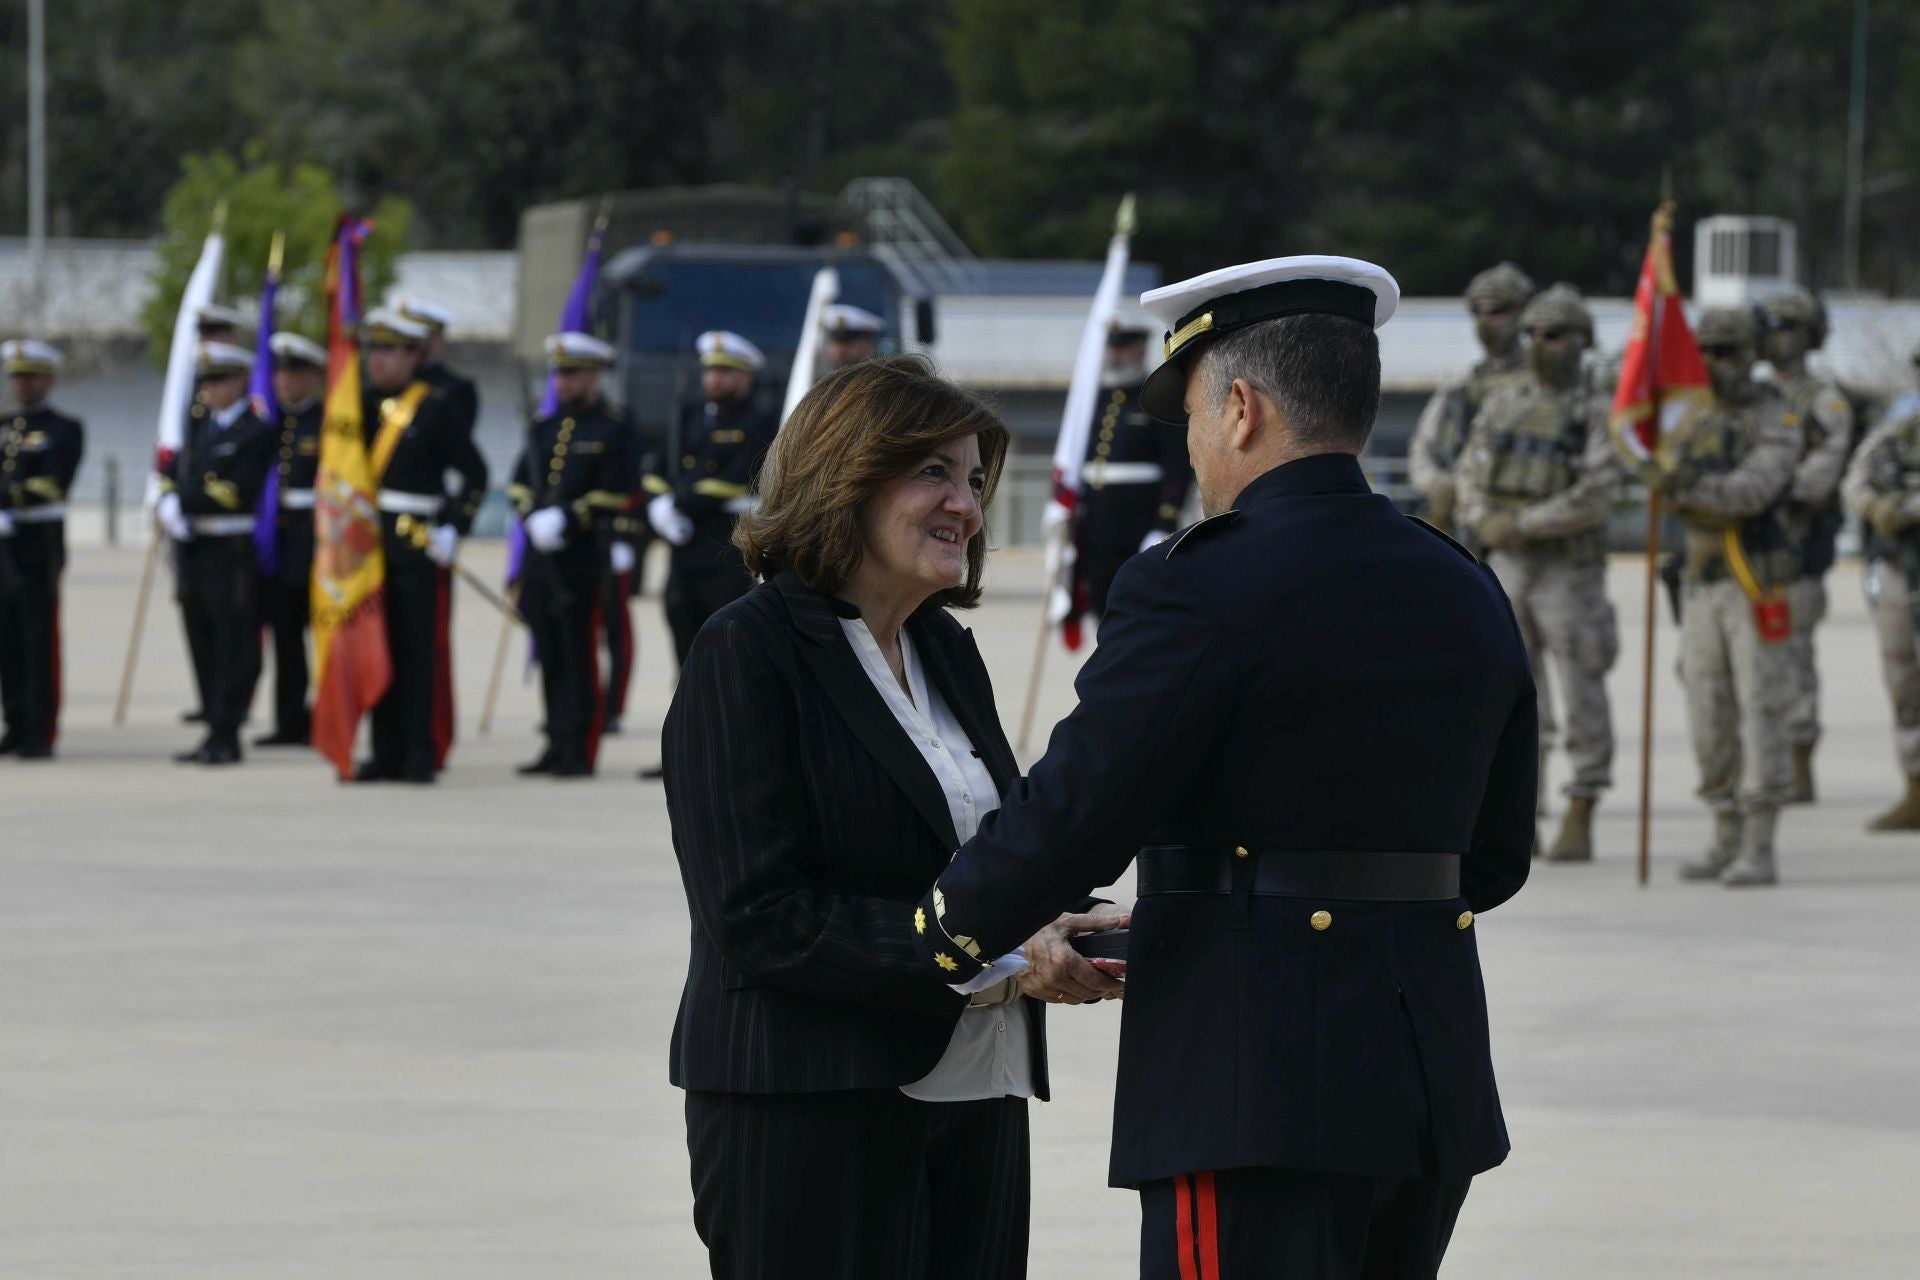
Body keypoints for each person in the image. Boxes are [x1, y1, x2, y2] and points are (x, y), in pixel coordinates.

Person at [909, 257, 1536, 1278]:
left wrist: (946, 929)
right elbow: (1494, 856)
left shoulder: (1198, 581)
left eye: (1193, 413)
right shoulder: (1463, 582)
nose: (1194, 446)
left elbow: (1080, 801)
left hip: (1256, 1082)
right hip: (1427, 1071)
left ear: (1240, 407)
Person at [664, 354, 1125, 1279]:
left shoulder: (945, 652)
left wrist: (1053, 927)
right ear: (844, 476)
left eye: (977, 480)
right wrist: (979, 958)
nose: (967, 503)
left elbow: (979, 857)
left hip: (978, 1092)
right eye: (933, 473)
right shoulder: (747, 651)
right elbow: (761, 916)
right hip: (808, 1101)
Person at [1457, 286, 1621, 861]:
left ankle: (1583, 800)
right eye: (1532, 335)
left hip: (1567, 573)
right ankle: (1521, 815)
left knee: (1580, 690)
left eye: (1553, 336)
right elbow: (1471, 472)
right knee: (1515, 695)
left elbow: (1598, 490)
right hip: (1508, 565)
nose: (1539, 345)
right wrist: (1487, 520)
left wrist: (1522, 523)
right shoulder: (1503, 402)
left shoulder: (1596, 410)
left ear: (1581, 342)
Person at [1650, 308, 1799, 886]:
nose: (1714, 363)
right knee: (1706, 710)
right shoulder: (1691, 418)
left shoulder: (1775, 416)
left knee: (1761, 708)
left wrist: (1687, 488)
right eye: (1705, 351)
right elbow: (1660, 469)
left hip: (1753, 580)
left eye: (1728, 351)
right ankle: (1724, 830)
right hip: (1701, 582)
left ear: (1751, 354)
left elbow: (1753, 490)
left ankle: (1759, 843)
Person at [354, 309, 488, 784]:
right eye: (376, 351)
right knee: (376, 649)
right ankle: (382, 749)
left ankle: (418, 751)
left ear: (413, 355)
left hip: (416, 545)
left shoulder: (434, 406)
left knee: (416, 652)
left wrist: (454, 526)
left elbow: (475, 474)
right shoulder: (360, 406)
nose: (380, 361)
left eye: (391, 351)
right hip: (367, 548)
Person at [508, 333, 636, 778]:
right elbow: (519, 483)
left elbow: (619, 489)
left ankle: (581, 746)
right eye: (560, 373)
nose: (564, 382)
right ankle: (556, 740)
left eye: (573, 373)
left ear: (595, 374)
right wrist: (530, 514)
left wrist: (567, 516)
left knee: (579, 651)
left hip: (584, 557)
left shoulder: (613, 427)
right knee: (550, 649)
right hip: (543, 561)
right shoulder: (543, 427)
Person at [157, 342, 275, 766]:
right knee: (200, 637)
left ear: (241, 380)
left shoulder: (256, 430)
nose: (211, 389)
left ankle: (227, 730)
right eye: (206, 380)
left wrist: (182, 503)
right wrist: (166, 498)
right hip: (194, 546)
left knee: (232, 641)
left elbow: (235, 490)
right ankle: (211, 723)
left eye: (220, 379)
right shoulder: (197, 426)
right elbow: (173, 472)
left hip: (230, 547)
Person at [1759, 287, 1854, 803]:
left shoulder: (1824, 401)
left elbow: (1820, 475)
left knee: (1793, 659)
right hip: (1745, 553)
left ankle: (1798, 762)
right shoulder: (1752, 398)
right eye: (1772, 327)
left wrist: (1758, 489)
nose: (1779, 339)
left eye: (1789, 327)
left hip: (1794, 550)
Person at [645, 330, 778, 668]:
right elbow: (657, 469)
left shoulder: (758, 421)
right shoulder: (686, 416)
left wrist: (679, 504)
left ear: (745, 376)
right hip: (684, 545)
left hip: (726, 545)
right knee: (680, 618)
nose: (715, 379)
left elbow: (734, 480)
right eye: (711, 370)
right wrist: (658, 504)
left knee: (726, 633)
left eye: (725, 372)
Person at [1070, 324, 1194, 620]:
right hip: (1097, 526)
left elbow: (1177, 465)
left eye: (1123, 348)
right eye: (1112, 348)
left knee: (1140, 604)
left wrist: (1165, 522)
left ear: (1140, 351)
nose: (1115, 356)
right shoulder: (1093, 400)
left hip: (1138, 523)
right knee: (1101, 605)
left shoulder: (1155, 397)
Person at [0, 338, 84, 760]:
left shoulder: (63, 429)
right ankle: (14, 721)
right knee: (7, 640)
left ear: (48, 380)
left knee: (37, 638)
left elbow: (51, 484)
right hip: (3, 545)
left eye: (30, 377)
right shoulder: (3, 426)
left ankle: (41, 727)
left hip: (37, 544)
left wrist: (7, 496)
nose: (22, 385)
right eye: (17, 377)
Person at [1840, 397, 1920, 829]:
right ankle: (1915, 787)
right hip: (1899, 569)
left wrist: (1906, 507)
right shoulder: (1898, 432)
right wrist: (1876, 508)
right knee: (1903, 679)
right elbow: (1855, 482)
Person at [1409, 261, 1534, 534]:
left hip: (1519, 530)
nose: (1485, 321)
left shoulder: (1544, 387)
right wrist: (1440, 485)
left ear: (1523, 311)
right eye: (1477, 311)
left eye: (1497, 311)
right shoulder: (1459, 388)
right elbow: (1423, 449)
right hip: (1464, 529)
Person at [255, 332, 328, 747]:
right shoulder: (270, 422)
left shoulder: (327, 421)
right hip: (277, 543)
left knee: (321, 634)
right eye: (280, 371)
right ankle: (289, 719)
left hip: (314, 538)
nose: (284, 380)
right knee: (284, 637)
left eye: (295, 372)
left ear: (314, 376)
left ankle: (326, 712)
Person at [822, 302, 884, 370]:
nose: (840, 350)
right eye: (835, 343)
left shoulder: (880, 376)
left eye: (848, 343)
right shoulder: (812, 377)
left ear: (867, 345)